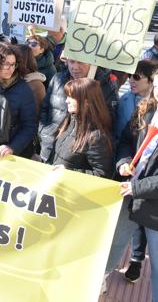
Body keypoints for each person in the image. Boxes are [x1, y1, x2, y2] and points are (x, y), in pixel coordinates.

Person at [114, 60, 158, 284]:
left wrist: (137, 186)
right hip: (132, 197)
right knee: (111, 251)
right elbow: (125, 141)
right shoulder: (145, 110)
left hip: (153, 206)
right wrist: (123, 162)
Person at [39, 58, 118, 162]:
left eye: (80, 62)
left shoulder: (106, 85)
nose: (75, 67)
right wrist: (44, 133)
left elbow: (109, 121)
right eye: (71, 61)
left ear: (92, 62)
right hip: (48, 148)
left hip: (77, 156)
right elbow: (44, 108)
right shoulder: (58, 78)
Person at [50, 78, 113, 177]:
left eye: (71, 97)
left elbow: (103, 173)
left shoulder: (96, 137)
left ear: (86, 102)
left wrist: (69, 173)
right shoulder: (69, 121)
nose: (66, 101)